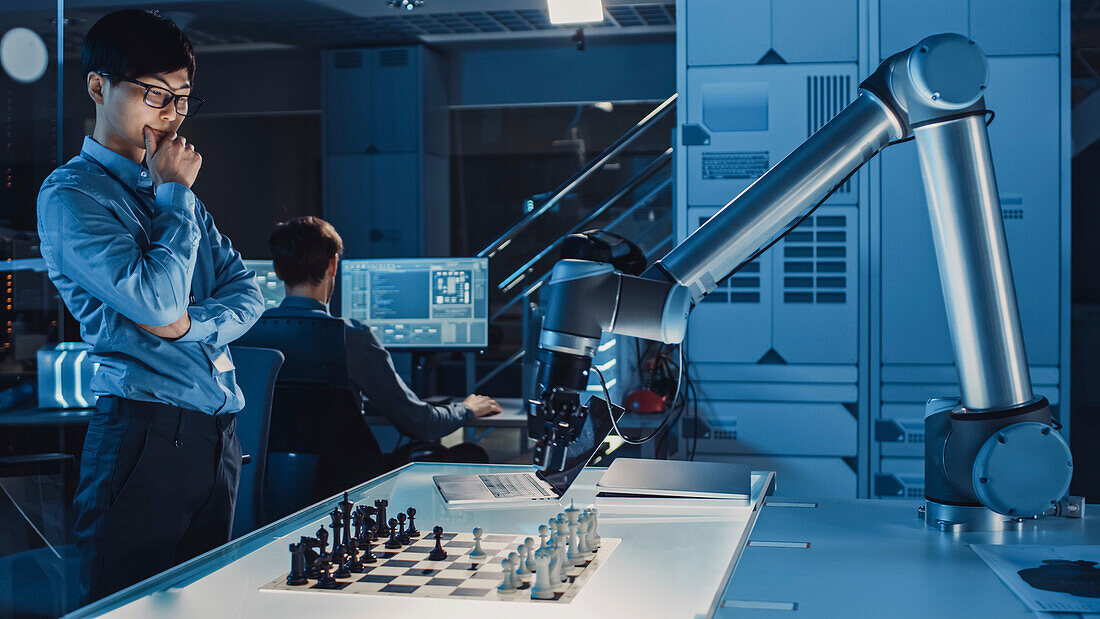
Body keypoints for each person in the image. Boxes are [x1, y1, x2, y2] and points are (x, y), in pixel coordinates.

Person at [36, 10, 263, 603]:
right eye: (155, 94)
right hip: (143, 434)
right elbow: (155, 298)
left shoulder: (171, 192)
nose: (171, 115)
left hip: (217, 437)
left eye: (182, 99)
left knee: (203, 607)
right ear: (98, 87)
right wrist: (174, 197)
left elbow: (247, 292)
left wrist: (186, 327)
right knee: (126, 609)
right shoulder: (73, 195)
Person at [246, 216, 501, 492]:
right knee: (467, 454)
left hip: (266, 482)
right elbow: (419, 424)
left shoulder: (249, 333)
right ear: (333, 265)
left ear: (278, 270)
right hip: (348, 485)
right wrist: (465, 409)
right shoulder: (351, 337)